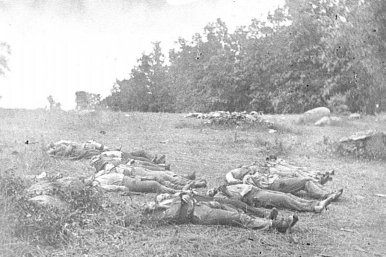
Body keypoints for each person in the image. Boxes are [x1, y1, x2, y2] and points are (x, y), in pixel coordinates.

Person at [144, 191, 298, 233]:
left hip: (202, 206)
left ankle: (269, 220)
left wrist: (183, 197)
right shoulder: (162, 213)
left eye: (163, 195)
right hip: (200, 215)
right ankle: (277, 225)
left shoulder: (168, 202)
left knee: (235, 210)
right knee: (236, 217)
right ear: (152, 208)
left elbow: (184, 201)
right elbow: (174, 216)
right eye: (153, 203)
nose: (164, 196)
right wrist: (179, 198)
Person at [226, 159, 339, 200]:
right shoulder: (245, 174)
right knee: (305, 181)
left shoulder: (254, 170)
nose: (247, 166)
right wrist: (232, 180)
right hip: (276, 184)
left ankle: (323, 190)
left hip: (278, 181)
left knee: (302, 177)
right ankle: (325, 195)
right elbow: (229, 174)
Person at [208, 184, 343, 213]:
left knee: (288, 196)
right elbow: (237, 201)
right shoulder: (224, 195)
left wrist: (231, 191)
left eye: (213, 188)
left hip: (256, 191)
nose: (213, 190)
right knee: (284, 199)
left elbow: (246, 186)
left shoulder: (230, 186)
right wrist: (223, 192)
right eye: (211, 192)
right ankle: (314, 207)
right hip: (256, 197)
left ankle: (317, 203)